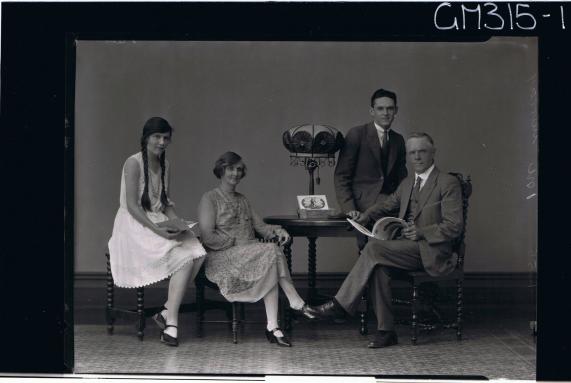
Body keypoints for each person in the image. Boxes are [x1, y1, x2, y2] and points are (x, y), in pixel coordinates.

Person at [314, 133, 464, 348]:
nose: (417, 157)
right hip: (406, 249)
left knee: (374, 248)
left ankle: (340, 305)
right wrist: (364, 216)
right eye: (412, 153)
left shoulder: (447, 182)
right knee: (378, 268)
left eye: (422, 151)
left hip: (432, 251)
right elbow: (387, 205)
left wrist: (422, 232)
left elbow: (454, 225)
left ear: (433, 153)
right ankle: (386, 331)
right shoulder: (408, 182)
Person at [198, 152, 318, 347]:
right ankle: (295, 303)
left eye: (239, 169)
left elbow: (261, 227)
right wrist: (237, 243)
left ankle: (273, 327)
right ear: (221, 170)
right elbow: (207, 237)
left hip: (251, 256)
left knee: (270, 258)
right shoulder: (209, 198)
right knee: (270, 252)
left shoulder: (243, 199)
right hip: (221, 258)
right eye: (230, 168)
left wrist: (279, 230)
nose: (235, 173)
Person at [108, 117, 206, 347]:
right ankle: (171, 323)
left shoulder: (165, 164)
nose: (162, 142)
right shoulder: (133, 163)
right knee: (183, 257)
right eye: (157, 137)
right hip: (133, 224)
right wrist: (159, 232)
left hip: (156, 218)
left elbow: (165, 202)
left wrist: (180, 224)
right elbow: (132, 206)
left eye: (166, 138)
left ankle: (165, 311)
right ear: (146, 138)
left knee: (198, 251)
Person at [334, 88, 408, 249]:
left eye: (390, 108)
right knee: (374, 248)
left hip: (390, 205)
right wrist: (350, 209)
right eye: (380, 108)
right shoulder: (357, 134)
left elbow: (404, 180)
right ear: (372, 111)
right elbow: (341, 176)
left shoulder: (398, 140)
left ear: (396, 111)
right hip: (361, 205)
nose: (385, 113)